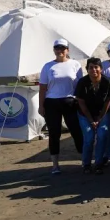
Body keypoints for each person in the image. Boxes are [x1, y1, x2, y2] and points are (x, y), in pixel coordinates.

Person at [39, 39, 84, 174]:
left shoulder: (75, 64)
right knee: (54, 133)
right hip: (52, 102)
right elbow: (43, 88)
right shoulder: (48, 66)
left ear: (67, 50)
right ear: (54, 50)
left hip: (70, 101)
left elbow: (79, 86)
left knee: (76, 131)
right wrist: (41, 106)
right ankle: (55, 165)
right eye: (57, 48)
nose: (60, 51)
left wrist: (80, 103)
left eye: (62, 48)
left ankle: (84, 160)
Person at [75, 57, 110, 173]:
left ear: (101, 69)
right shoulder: (82, 82)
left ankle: (98, 163)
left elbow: (107, 102)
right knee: (89, 137)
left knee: (102, 135)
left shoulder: (108, 82)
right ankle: (86, 164)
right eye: (91, 67)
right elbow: (81, 103)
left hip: (102, 113)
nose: (94, 70)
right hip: (85, 114)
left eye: (96, 67)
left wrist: (99, 118)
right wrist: (91, 120)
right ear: (87, 69)